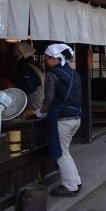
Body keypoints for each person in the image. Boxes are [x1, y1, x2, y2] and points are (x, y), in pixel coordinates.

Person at [36, 44, 82, 197]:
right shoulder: (73, 73)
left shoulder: (52, 74)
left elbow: (48, 98)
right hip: (76, 117)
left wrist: (40, 112)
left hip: (62, 118)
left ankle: (70, 187)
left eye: (47, 58)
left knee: (61, 154)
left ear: (55, 58)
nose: (45, 61)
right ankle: (76, 181)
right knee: (66, 152)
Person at [14, 42, 44, 110]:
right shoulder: (36, 65)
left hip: (33, 100)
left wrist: (15, 88)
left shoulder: (26, 68)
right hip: (40, 98)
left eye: (16, 56)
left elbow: (29, 86)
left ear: (22, 56)